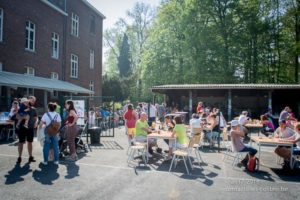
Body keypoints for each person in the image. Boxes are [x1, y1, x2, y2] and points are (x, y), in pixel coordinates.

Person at [16, 96, 38, 164]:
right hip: (22, 128)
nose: (33, 101)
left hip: (30, 128)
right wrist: (22, 117)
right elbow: (17, 116)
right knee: (21, 142)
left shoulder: (33, 109)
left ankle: (30, 157)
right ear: (28, 100)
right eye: (32, 100)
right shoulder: (21, 107)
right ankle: (19, 157)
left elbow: (36, 118)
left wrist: (36, 122)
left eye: (34, 101)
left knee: (30, 142)